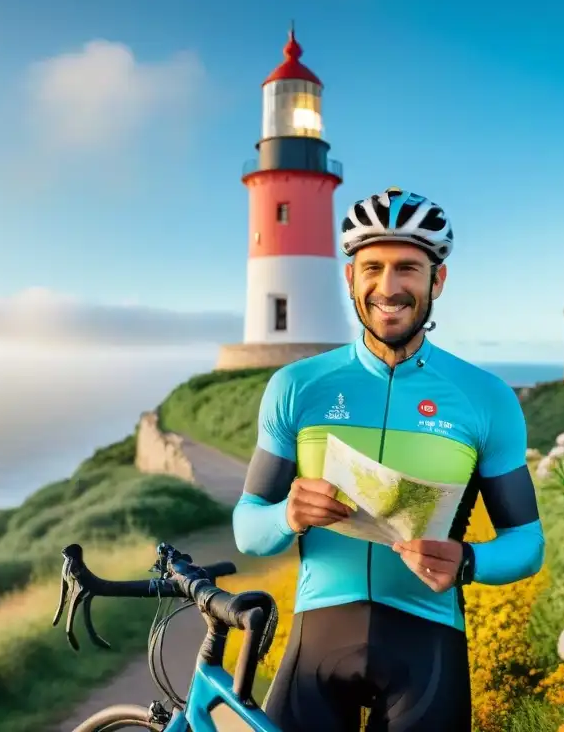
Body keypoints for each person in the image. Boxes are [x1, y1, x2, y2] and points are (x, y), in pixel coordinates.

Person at [232, 187, 545, 731]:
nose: (389, 286)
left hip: (426, 645)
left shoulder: (485, 397)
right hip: (317, 644)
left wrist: (469, 562)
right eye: (372, 266)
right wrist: (287, 514)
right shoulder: (297, 387)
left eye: (408, 267)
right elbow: (246, 528)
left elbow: (528, 543)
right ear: (351, 278)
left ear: (436, 281)